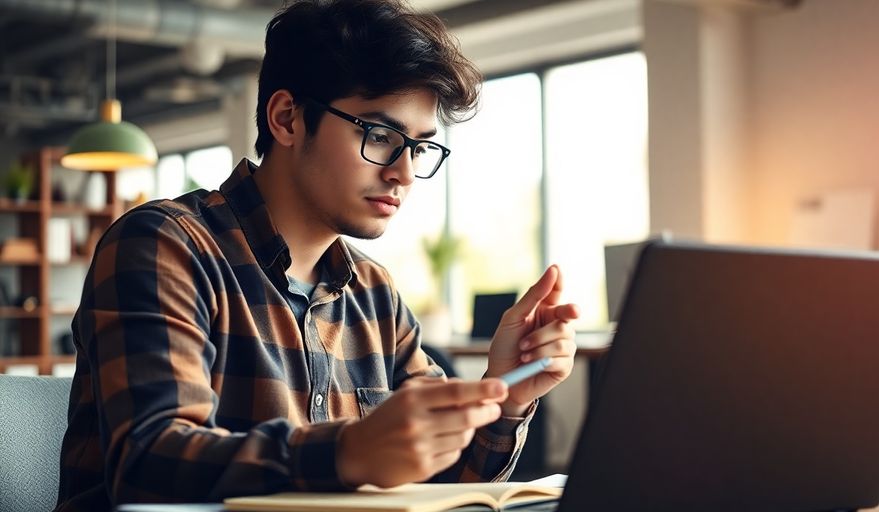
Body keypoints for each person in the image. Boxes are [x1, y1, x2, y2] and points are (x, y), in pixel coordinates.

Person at [55, 1, 579, 509]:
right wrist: (349, 452)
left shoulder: (375, 293)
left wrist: (506, 395)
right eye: (380, 135)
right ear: (286, 118)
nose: (402, 173)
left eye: (418, 147)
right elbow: (148, 465)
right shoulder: (164, 246)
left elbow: (444, 479)